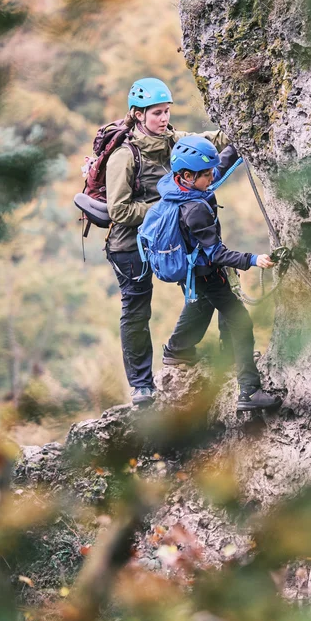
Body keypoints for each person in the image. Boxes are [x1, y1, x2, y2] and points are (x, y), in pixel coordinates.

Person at [105, 77, 228, 406]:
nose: (163, 118)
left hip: (170, 241)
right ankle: (141, 385)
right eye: (157, 113)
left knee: (207, 288)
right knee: (136, 310)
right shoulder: (124, 156)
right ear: (137, 114)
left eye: (166, 111)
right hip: (129, 245)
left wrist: (241, 129)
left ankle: (179, 351)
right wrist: (163, 210)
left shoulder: (176, 141)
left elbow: (212, 141)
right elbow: (118, 209)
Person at [157, 136, 282, 412]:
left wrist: (238, 142)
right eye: (206, 174)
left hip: (190, 272)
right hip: (207, 274)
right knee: (241, 322)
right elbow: (216, 254)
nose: (212, 177)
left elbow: (217, 168)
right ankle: (249, 391)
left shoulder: (177, 186)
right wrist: (252, 260)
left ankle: (177, 352)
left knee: (200, 307)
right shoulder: (194, 210)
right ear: (188, 176)